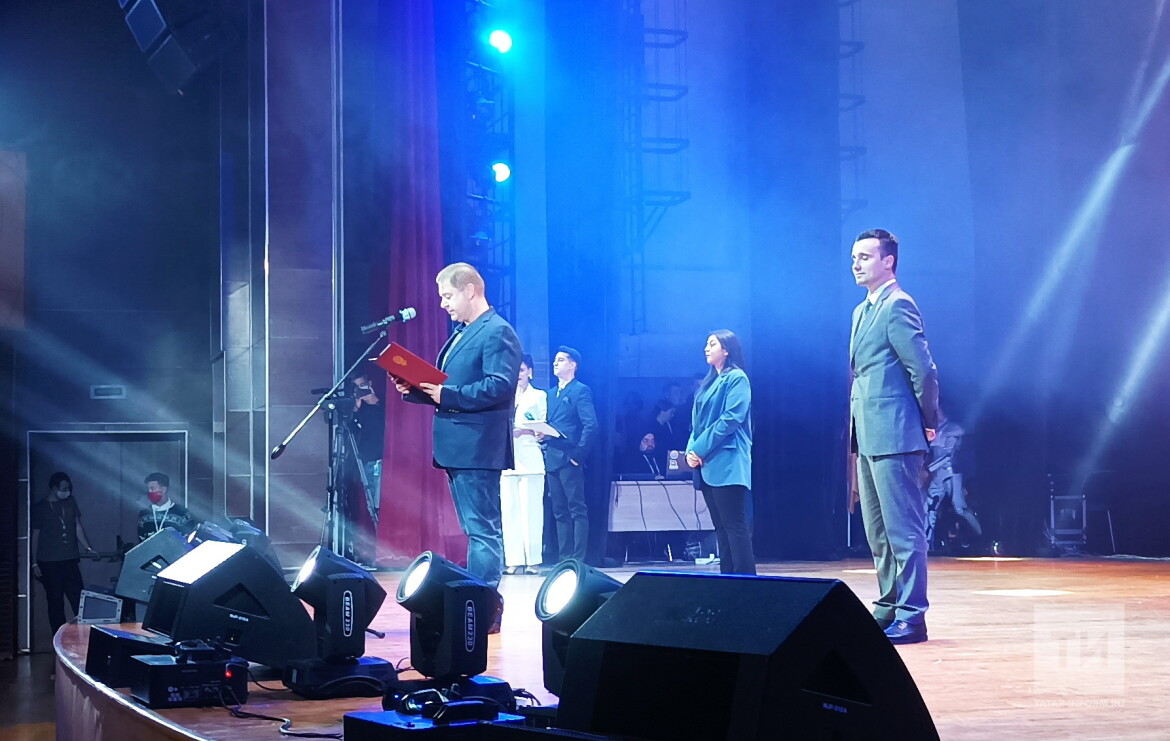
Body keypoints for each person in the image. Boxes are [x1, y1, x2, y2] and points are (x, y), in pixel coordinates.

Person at [391, 262, 521, 603]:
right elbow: (449, 387)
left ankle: (483, 605)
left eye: (448, 296)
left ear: (469, 291)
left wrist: (445, 395)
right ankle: (477, 603)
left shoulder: (497, 331)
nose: (443, 303)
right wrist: (416, 389)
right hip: (459, 446)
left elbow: (499, 385)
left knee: (482, 530)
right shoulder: (463, 332)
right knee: (475, 529)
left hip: (478, 446)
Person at [849, 228, 939, 645]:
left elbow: (923, 370)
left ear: (888, 261)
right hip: (868, 433)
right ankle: (888, 605)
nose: (856, 263)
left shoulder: (898, 304)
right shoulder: (861, 310)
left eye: (865, 256)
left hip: (896, 432)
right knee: (878, 531)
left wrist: (928, 419)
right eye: (854, 257)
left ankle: (912, 615)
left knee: (904, 530)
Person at [685, 330, 755, 575]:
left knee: (735, 525)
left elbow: (731, 418)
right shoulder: (708, 382)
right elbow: (696, 424)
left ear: (726, 350)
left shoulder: (737, 378)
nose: (707, 347)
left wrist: (699, 448)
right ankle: (728, 580)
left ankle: (746, 580)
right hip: (707, 462)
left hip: (727, 460)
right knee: (721, 527)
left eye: (712, 344)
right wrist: (690, 451)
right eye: (706, 343)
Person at [539, 346, 598, 562]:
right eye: (555, 360)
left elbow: (591, 425)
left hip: (569, 457)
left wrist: (578, 455)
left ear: (573, 365)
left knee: (576, 509)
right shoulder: (550, 394)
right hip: (552, 457)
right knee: (559, 511)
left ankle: (578, 558)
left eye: (561, 360)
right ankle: (564, 558)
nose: (555, 363)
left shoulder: (580, 391)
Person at [30, 472, 96, 639]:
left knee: (78, 599)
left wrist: (88, 547)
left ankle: (85, 637)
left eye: (68, 488)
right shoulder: (40, 508)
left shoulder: (70, 502)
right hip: (49, 562)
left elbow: (77, 526)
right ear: (54, 488)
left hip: (69, 559)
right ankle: (59, 639)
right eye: (64, 488)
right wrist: (34, 562)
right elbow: (35, 536)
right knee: (55, 602)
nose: (67, 492)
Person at [501, 354, 547, 575]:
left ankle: (533, 561)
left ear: (530, 371)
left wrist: (528, 430)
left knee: (532, 513)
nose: (517, 375)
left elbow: (543, 426)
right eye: (514, 370)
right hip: (507, 460)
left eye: (521, 370)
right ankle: (513, 559)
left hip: (530, 459)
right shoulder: (504, 395)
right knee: (510, 513)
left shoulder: (539, 395)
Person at [352, 370, 386, 520]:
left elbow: (391, 423)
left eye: (362, 385)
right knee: (371, 499)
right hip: (367, 457)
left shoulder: (383, 401)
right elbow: (351, 430)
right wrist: (355, 410)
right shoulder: (359, 408)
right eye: (357, 387)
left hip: (384, 457)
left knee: (382, 501)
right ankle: (376, 523)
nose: (361, 390)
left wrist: (376, 402)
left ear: (369, 384)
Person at [136, 472, 197, 543]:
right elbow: (141, 542)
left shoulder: (182, 513)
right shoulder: (144, 515)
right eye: (148, 489)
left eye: (152, 488)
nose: (149, 492)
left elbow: (189, 540)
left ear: (163, 490)